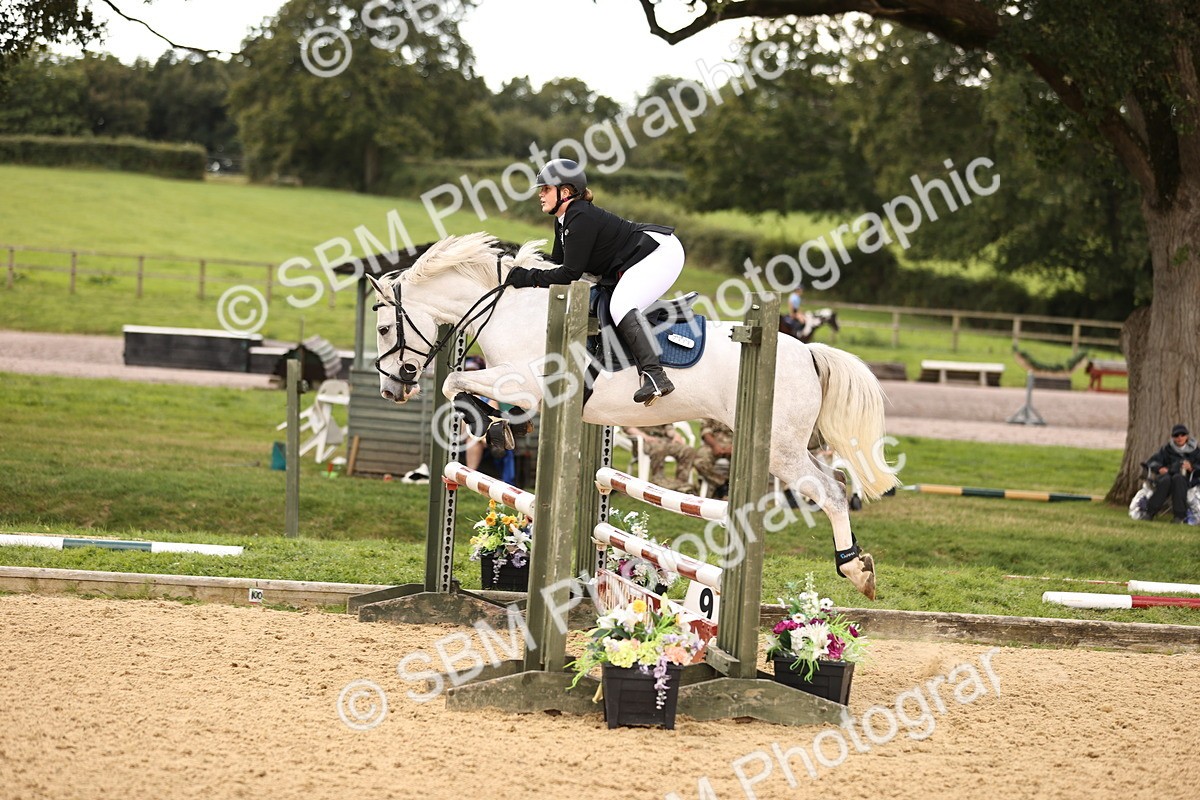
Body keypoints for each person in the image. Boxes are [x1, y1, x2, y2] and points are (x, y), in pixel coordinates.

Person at [504, 158, 684, 406]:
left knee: (620, 305)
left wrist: (526, 277)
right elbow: (556, 265)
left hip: (659, 253)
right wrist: (522, 269)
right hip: (640, 257)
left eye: (545, 189)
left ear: (565, 192)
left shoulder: (580, 217)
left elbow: (569, 274)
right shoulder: (563, 220)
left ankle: (656, 376)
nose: (540, 195)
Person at [1142, 423, 1198, 523]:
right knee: (1166, 480)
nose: (1179, 438)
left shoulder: (1195, 451)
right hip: (1167, 476)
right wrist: (1159, 468)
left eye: (1182, 435)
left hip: (1186, 479)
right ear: (1172, 437)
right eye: (1176, 436)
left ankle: (1179, 516)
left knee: (1178, 479)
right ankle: (1150, 513)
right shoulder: (1166, 450)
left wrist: (1191, 467)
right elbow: (1152, 461)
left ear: (1187, 436)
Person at [623, 424, 696, 492]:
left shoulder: (660, 410)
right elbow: (627, 426)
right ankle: (658, 481)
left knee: (688, 450)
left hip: (664, 440)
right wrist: (644, 436)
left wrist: (675, 435)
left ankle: (681, 484)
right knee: (659, 449)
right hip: (645, 441)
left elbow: (668, 425)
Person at [694, 419, 733, 499]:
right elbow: (705, 432)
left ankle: (735, 488)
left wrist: (735, 446)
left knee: (744, 460)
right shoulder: (712, 409)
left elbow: (746, 433)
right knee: (699, 460)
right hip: (713, 444)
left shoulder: (743, 410)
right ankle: (722, 484)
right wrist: (715, 445)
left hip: (735, 444)